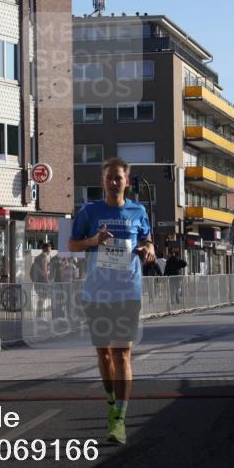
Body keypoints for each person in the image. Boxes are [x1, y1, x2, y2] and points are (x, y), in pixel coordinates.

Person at [69, 157, 154, 445]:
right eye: (109, 177)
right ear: (103, 181)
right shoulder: (90, 210)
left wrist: (147, 250)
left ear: (127, 182)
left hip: (128, 291)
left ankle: (119, 417)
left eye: (118, 177)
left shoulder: (137, 210)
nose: (113, 182)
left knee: (122, 354)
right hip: (98, 292)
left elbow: (148, 240)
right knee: (104, 354)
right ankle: (110, 402)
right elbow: (71, 243)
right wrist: (94, 241)